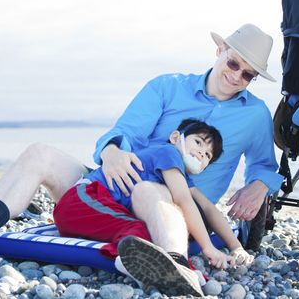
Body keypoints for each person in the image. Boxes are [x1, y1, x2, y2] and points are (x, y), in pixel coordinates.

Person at [0, 23, 282, 273]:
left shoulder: (255, 116)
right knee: (40, 153)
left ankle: (172, 264)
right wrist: (113, 151)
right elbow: (122, 132)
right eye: (233, 63)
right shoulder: (167, 86)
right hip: (108, 185)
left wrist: (260, 184)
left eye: (248, 74)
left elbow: (266, 166)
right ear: (219, 50)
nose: (236, 77)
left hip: (167, 200)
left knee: (151, 191)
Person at [53, 118, 253, 296]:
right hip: (83, 200)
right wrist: (208, 248)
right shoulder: (167, 152)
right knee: (138, 233)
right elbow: (184, 201)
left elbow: (208, 208)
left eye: (208, 155)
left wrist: (237, 247)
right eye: (198, 142)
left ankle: (154, 272)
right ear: (176, 137)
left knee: (148, 237)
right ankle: (178, 267)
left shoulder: (181, 177)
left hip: (97, 210)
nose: (201, 152)